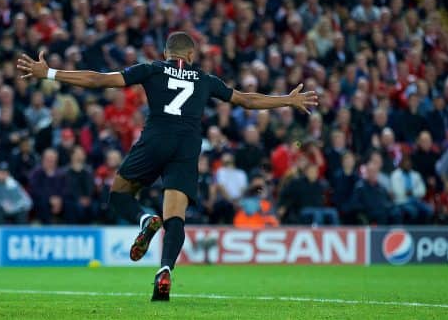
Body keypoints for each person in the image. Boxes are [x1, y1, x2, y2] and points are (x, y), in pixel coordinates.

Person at [17, 31, 317, 301]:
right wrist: (286, 100)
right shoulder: (204, 78)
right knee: (176, 216)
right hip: (186, 147)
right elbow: (246, 101)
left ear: (166, 54)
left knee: (119, 195)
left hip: (156, 138)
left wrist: (51, 73)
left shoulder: (152, 68)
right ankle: (165, 270)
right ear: (191, 55)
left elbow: (101, 79)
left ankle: (145, 219)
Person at [389, 156, 433, 223]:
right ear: (401, 164)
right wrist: (410, 192)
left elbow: (422, 191)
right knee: (413, 211)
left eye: (409, 164)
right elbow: (397, 191)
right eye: (405, 163)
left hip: (416, 200)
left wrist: (412, 192)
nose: (407, 165)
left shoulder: (416, 175)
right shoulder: (395, 175)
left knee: (429, 210)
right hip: (402, 202)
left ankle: (424, 230)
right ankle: (412, 231)